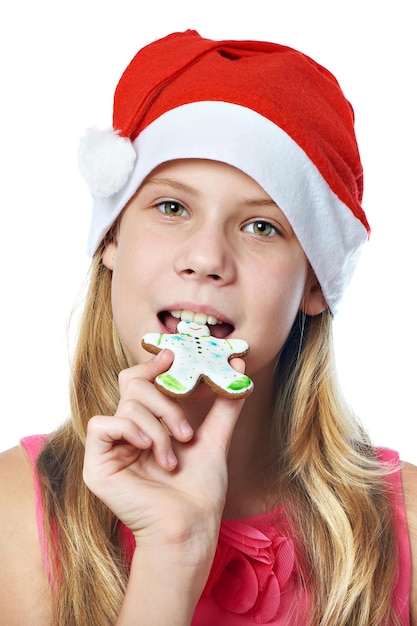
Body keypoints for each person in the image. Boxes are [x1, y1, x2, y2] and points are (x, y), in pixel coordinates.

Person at [0, 29, 416, 626]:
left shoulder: (407, 528)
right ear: (112, 237)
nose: (206, 259)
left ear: (316, 284)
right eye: (172, 208)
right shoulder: (16, 514)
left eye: (261, 227)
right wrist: (172, 555)